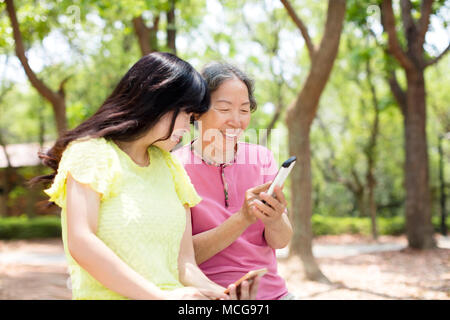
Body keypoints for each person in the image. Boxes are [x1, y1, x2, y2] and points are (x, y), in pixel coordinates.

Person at [32, 52, 233, 300]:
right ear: (158, 102)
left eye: (192, 118)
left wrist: (224, 295)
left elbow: (185, 266)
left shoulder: (170, 166)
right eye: (185, 114)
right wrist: (160, 297)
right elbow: (81, 242)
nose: (187, 126)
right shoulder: (90, 153)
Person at [173, 62, 295, 300]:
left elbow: (280, 241)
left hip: (274, 294)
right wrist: (241, 219)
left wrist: (275, 219)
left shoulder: (261, 158)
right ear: (197, 111)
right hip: (211, 296)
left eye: (244, 109)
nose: (236, 121)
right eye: (224, 108)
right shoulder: (175, 166)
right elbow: (183, 257)